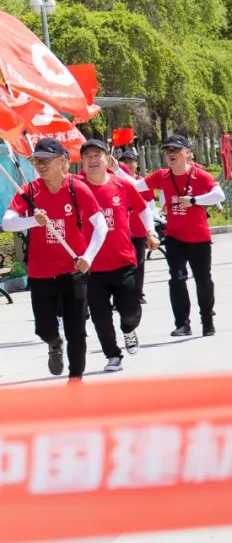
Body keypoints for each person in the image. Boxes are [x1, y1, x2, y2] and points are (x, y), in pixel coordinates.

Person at [2, 137, 107, 380]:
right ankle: (53, 342)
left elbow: (100, 225)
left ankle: (75, 378)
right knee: (44, 328)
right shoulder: (29, 191)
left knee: (76, 330)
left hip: (73, 270)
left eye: (46, 160)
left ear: (62, 161)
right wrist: (33, 220)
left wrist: (88, 256)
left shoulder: (76, 188)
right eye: (37, 160)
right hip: (40, 273)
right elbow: (7, 222)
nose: (40, 165)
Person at [115, 134, 225, 336]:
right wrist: (116, 169)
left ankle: (207, 319)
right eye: (167, 151)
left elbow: (220, 195)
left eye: (175, 150)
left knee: (203, 280)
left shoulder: (199, 175)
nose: (171, 154)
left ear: (187, 153)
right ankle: (182, 323)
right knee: (176, 278)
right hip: (175, 237)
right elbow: (136, 186)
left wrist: (194, 200)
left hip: (199, 238)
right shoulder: (162, 176)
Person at [77, 139, 158, 372]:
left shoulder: (121, 185)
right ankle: (112, 355)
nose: (93, 160)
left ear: (107, 159)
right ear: (82, 162)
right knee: (100, 317)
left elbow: (143, 210)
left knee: (130, 313)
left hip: (123, 261)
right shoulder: (76, 188)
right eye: (88, 156)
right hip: (91, 266)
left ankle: (129, 330)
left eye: (97, 155)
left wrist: (150, 232)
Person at [117, 148, 158, 304]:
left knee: (139, 263)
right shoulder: (115, 181)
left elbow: (150, 204)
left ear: (136, 164)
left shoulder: (141, 181)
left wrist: (150, 227)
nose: (128, 164)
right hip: (122, 231)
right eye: (124, 162)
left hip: (139, 229)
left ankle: (138, 293)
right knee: (122, 265)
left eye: (131, 161)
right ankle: (121, 296)